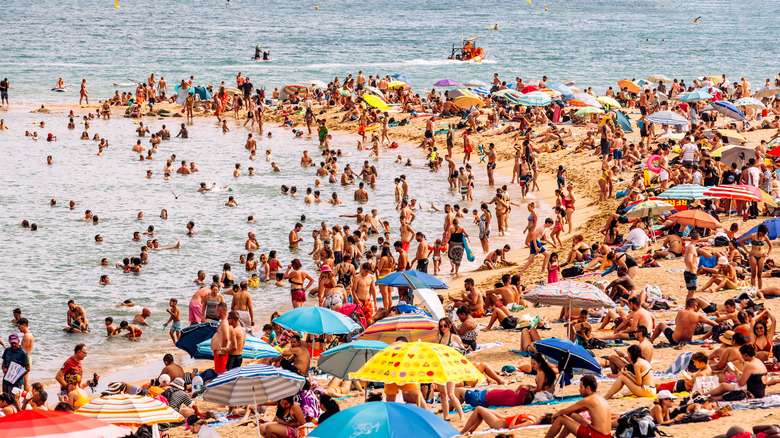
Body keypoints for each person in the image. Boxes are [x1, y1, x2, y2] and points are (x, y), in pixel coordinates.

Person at [543, 375, 612, 438]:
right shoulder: (600, 398)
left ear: (588, 388)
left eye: (581, 387)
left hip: (596, 435)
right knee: (573, 415)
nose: (579, 390)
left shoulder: (588, 400)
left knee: (561, 418)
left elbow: (563, 411)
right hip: (606, 435)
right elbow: (572, 412)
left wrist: (554, 416)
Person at [702, 344, 767, 400]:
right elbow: (752, 376)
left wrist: (736, 373)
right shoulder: (758, 361)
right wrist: (737, 371)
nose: (741, 357)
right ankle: (707, 395)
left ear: (746, 354)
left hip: (751, 392)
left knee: (723, 386)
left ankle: (704, 395)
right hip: (760, 391)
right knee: (724, 388)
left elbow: (741, 383)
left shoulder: (750, 365)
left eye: (742, 355)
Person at [210, 303, 232, 374]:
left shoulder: (225, 322)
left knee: (220, 373)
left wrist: (223, 350)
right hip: (219, 351)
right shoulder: (225, 321)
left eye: (216, 311)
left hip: (220, 352)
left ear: (220, 311)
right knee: (220, 372)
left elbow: (227, 338)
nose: (215, 313)